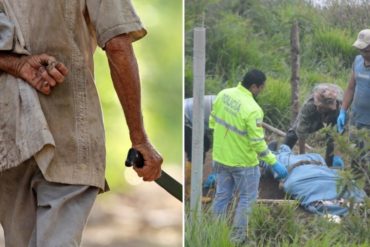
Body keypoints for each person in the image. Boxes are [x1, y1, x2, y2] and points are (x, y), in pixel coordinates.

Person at [0, 1, 162, 246]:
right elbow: (118, 45)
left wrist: (17, 64)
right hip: (70, 132)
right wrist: (139, 139)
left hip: (9, 135)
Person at [209, 69, 288, 245]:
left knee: (222, 196)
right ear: (254, 86)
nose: (262, 90)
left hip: (221, 158)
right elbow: (258, 144)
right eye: (262, 87)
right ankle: (238, 239)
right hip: (243, 163)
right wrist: (274, 163)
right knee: (246, 198)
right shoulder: (253, 109)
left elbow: (213, 123)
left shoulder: (223, 94)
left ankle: (213, 234)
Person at [262, 144, 366, 216]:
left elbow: (268, 160)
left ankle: (274, 151)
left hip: (301, 174)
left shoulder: (283, 159)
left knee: (274, 160)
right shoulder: (315, 156)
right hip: (316, 169)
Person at [337, 29, 370, 195]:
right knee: (356, 159)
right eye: (360, 49)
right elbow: (351, 87)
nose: (362, 53)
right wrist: (343, 110)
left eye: (365, 50)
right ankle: (355, 196)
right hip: (357, 120)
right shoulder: (357, 61)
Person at [284, 83, 344, 166]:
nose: (319, 108)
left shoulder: (340, 108)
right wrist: (302, 157)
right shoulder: (310, 105)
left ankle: (329, 165)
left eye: (322, 107)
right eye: (318, 106)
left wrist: (337, 155)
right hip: (313, 111)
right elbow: (302, 131)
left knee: (331, 138)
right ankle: (283, 153)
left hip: (333, 113)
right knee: (294, 132)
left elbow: (339, 134)